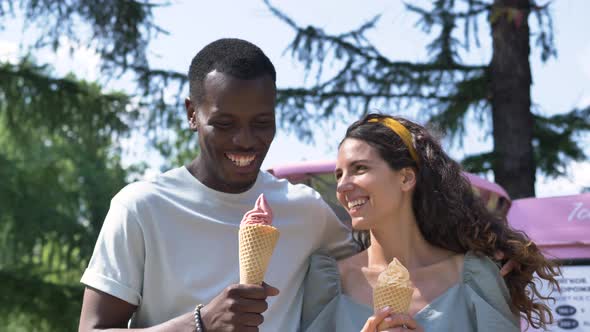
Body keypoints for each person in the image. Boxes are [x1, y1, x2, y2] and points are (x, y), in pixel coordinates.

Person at [77, 38, 356, 332]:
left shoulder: (307, 210)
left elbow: (380, 266)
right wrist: (202, 322)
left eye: (261, 122)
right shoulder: (140, 208)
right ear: (192, 114)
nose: (245, 140)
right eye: (224, 124)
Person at [300, 114, 560, 331]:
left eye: (360, 169)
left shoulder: (474, 276)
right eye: (339, 174)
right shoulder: (330, 281)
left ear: (405, 178)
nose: (343, 186)